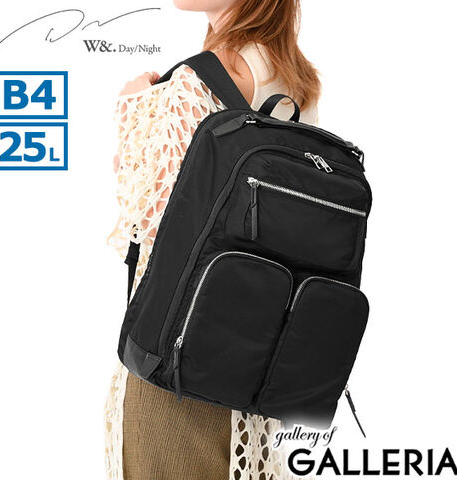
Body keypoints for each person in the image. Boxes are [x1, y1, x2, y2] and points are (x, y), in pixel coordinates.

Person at [105, 1, 321, 478]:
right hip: (255, 356)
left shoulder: (197, 80)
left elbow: (155, 219)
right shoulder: (295, 79)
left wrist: (133, 108)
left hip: (176, 354)